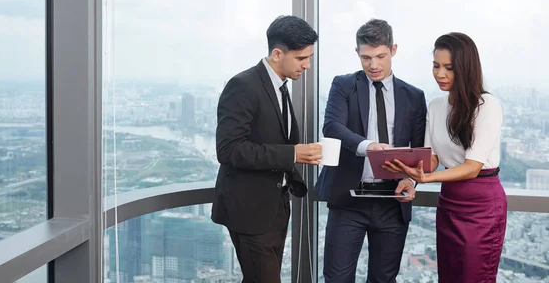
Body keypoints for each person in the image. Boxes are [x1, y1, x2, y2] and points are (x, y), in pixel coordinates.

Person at [387, 32, 507, 283]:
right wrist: (409, 171)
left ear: (465, 68)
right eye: (436, 66)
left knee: (476, 277)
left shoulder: (486, 105)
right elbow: (431, 158)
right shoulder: (436, 105)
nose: (440, 74)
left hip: (482, 207)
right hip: (449, 203)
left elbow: (472, 167)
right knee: (449, 277)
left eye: (449, 68)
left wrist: (426, 177)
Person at [314, 18, 427, 283]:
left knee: (383, 279)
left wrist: (409, 180)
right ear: (357, 53)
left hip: (392, 202)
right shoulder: (343, 85)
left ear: (393, 50)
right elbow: (331, 126)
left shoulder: (413, 96)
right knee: (337, 278)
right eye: (366, 58)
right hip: (349, 200)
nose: (373, 65)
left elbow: (420, 148)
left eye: (380, 56)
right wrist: (368, 147)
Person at [211, 15, 323, 282]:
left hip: (275, 207)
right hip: (249, 211)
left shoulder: (280, 88)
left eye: (309, 57)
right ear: (276, 53)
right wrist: (293, 154)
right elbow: (228, 149)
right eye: (301, 58)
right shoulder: (243, 86)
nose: (307, 65)